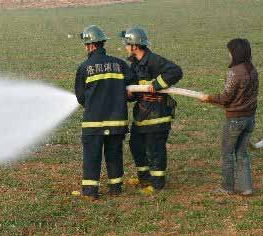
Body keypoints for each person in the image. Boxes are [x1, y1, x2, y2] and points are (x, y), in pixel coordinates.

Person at [74, 25, 135, 200]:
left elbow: (80, 97)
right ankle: (116, 188)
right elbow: (132, 90)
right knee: (114, 155)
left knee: (92, 157)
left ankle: (90, 192)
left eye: (86, 44)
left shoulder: (85, 67)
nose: (86, 48)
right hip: (117, 122)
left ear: (92, 45)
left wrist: (93, 104)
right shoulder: (120, 64)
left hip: (94, 123)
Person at [119, 27, 183, 191]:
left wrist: (155, 85)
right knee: (136, 146)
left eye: (127, 44)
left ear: (135, 46)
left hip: (158, 115)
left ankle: (157, 184)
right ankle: (145, 179)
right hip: (142, 115)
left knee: (155, 149)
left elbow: (176, 71)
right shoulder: (135, 65)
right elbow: (136, 91)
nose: (125, 47)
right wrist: (130, 94)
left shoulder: (153, 60)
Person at [200, 38, 258, 196]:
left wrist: (208, 98)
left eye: (230, 52)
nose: (229, 55)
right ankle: (246, 188)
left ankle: (227, 187)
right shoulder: (252, 69)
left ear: (235, 52)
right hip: (249, 119)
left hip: (235, 120)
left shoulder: (235, 72)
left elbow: (226, 98)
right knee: (242, 153)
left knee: (227, 154)